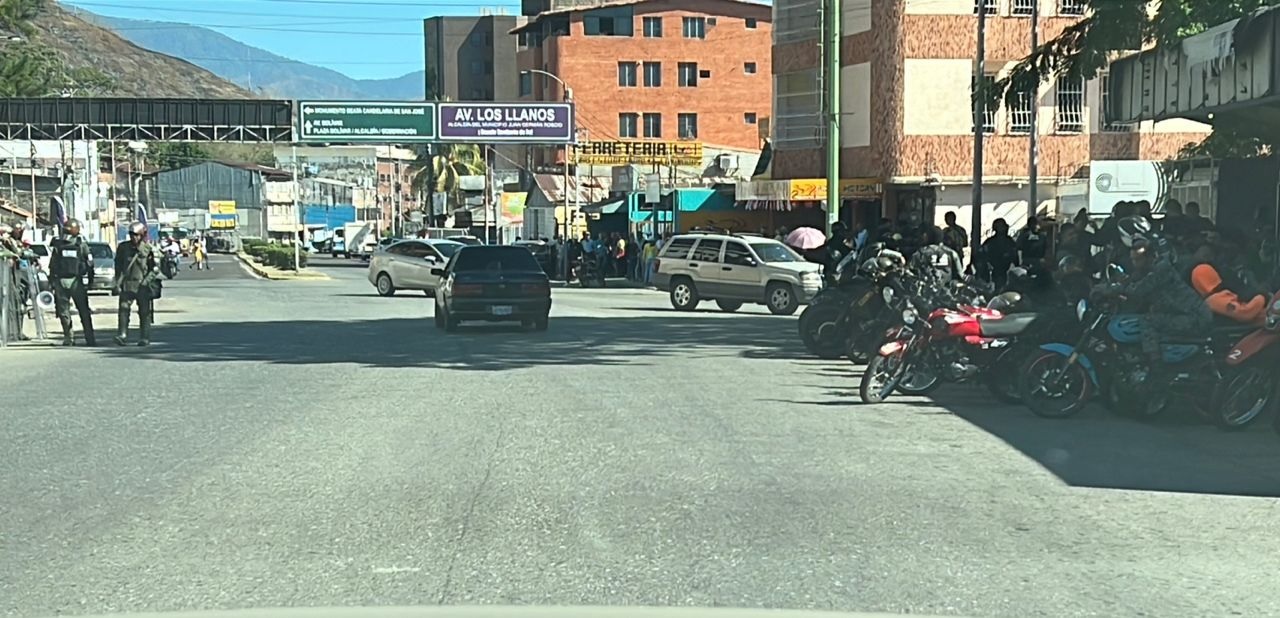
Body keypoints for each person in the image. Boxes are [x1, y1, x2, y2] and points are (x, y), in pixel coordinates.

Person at [1103, 235, 1211, 389]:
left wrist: (1109, 290)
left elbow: (1139, 290)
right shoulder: (1150, 270)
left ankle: (1156, 369)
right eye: (1132, 260)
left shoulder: (1161, 269)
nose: (1134, 264)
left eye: (1137, 260)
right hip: (1180, 313)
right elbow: (1133, 284)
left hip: (1193, 317)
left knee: (1148, 321)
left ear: (1150, 257)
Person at [49, 219, 96, 346]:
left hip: (66, 281)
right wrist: (90, 280)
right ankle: (87, 338)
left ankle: (70, 338)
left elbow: (52, 264)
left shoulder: (61, 244)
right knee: (81, 311)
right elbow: (90, 264)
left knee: (68, 311)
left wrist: (52, 281)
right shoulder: (80, 244)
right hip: (73, 281)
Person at [114, 221, 159, 346]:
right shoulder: (123, 248)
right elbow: (118, 266)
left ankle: (144, 337)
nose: (134, 237)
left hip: (142, 285)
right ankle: (122, 334)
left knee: (144, 312)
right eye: (131, 234)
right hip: (127, 284)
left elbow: (155, 268)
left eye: (136, 235)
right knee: (123, 309)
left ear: (142, 235)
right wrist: (117, 282)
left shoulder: (148, 249)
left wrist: (147, 281)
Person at [978, 218, 1019, 289]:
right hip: (993, 272)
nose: (1006, 228)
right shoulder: (990, 242)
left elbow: (1015, 256)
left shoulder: (1009, 241)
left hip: (1007, 271)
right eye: (1002, 227)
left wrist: (1014, 266)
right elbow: (981, 256)